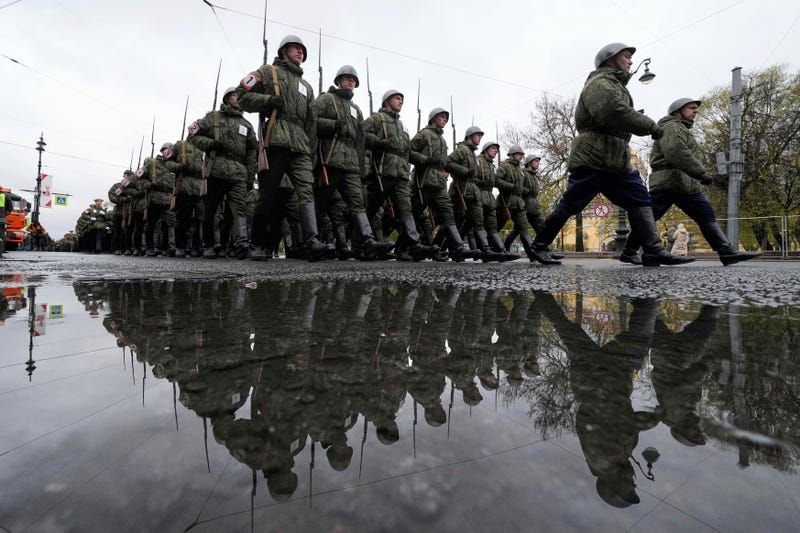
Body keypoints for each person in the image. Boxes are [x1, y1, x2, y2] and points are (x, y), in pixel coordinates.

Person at [527, 43, 694, 267]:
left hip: (614, 160)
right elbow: (614, 111)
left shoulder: (615, 85)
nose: (631, 61)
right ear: (609, 60)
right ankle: (539, 246)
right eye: (626, 56)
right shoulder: (600, 83)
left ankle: (652, 250)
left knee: (640, 198)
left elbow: (620, 114)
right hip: (594, 156)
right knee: (572, 203)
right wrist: (650, 126)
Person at [619, 98, 761, 266]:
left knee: (705, 213)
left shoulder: (682, 129)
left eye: (696, 108)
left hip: (686, 184)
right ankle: (629, 252)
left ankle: (726, 252)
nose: (695, 111)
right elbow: (676, 152)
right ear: (677, 112)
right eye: (691, 108)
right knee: (648, 218)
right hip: (669, 182)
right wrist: (701, 173)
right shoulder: (672, 127)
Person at [235, 34, 331, 261]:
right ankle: (257, 244)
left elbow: (311, 121)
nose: (300, 52)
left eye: (302, 50)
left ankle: (311, 241)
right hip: (276, 139)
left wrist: (308, 146)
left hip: (300, 146)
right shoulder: (269, 72)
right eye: (295, 48)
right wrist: (267, 101)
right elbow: (242, 95)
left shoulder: (307, 86)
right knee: (267, 194)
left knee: (306, 192)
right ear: (283, 50)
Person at [311, 65, 394, 260]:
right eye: (347, 78)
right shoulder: (326, 99)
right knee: (320, 202)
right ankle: (311, 241)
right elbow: (311, 119)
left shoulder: (356, 109)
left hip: (351, 165)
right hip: (330, 160)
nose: (351, 82)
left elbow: (361, 138)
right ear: (338, 80)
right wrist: (331, 125)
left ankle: (367, 240)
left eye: (353, 80)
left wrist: (377, 144)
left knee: (357, 203)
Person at [363, 89, 438, 261]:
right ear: (387, 100)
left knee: (406, 209)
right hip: (382, 172)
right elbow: (362, 134)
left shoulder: (402, 126)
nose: (400, 101)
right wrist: (378, 142)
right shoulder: (377, 118)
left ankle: (413, 244)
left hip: (401, 174)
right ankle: (362, 241)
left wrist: (424, 159)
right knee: (372, 209)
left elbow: (408, 152)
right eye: (397, 98)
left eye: (402, 99)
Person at [189, 86, 257, 259]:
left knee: (239, 210)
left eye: (239, 96)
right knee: (210, 209)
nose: (238, 98)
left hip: (238, 172)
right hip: (216, 169)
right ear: (227, 99)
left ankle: (241, 244)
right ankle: (209, 245)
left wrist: (250, 176)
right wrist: (209, 143)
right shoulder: (213, 117)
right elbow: (192, 133)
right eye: (234, 96)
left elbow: (252, 153)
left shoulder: (246, 124)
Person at [409, 108, 480, 262]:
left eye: (446, 118)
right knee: (415, 214)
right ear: (433, 118)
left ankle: (458, 248)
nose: (444, 120)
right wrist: (424, 160)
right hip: (424, 181)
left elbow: (446, 163)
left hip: (439, 183)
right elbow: (409, 152)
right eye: (442, 117)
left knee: (448, 214)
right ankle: (405, 247)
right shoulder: (424, 134)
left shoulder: (442, 140)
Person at [447, 126, 502, 261]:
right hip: (461, 191)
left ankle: (486, 250)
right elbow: (447, 163)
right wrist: (465, 171)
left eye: (480, 136)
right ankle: (452, 249)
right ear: (469, 136)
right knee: (455, 222)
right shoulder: (462, 150)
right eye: (477, 135)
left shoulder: (473, 155)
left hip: (474, 193)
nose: (479, 137)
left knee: (479, 222)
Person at [504, 154, 564, 260]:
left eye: (538, 161)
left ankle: (547, 251)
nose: (538, 163)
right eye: (535, 161)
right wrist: (527, 191)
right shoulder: (523, 174)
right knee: (518, 230)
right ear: (529, 162)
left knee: (542, 230)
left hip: (534, 207)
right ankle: (506, 246)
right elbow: (518, 188)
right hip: (524, 207)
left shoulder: (534, 176)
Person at [475, 141, 519, 261]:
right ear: (485, 150)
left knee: (492, 226)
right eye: (493, 148)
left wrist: (508, 184)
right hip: (478, 196)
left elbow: (496, 182)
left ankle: (502, 250)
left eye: (496, 149)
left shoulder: (492, 165)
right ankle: (448, 248)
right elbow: (473, 178)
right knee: (468, 226)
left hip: (489, 199)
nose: (496, 151)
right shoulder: (478, 161)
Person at [163, 138, 205, 258]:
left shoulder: (202, 147)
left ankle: (197, 247)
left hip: (200, 188)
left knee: (200, 219)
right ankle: (180, 246)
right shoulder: (180, 145)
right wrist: (179, 166)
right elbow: (167, 162)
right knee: (182, 218)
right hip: (184, 186)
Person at [137, 146, 176, 256]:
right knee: (152, 223)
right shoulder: (153, 163)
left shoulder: (174, 164)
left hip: (169, 197)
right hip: (155, 196)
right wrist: (148, 185)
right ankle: (149, 247)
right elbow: (139, 176)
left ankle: (168, 247)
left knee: (169, 223)